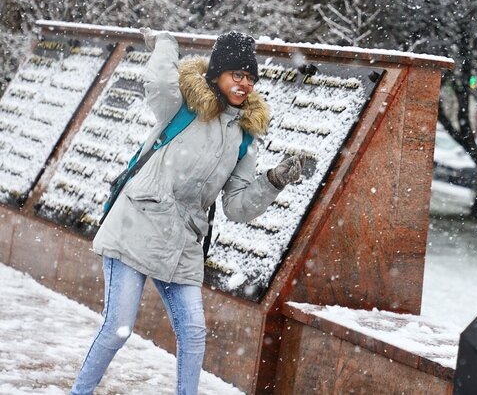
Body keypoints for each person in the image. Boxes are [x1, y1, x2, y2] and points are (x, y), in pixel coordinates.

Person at [71, 29, 303, 395]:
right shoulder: (182, 106)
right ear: (218, 73)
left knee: (194, 334)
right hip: (137, 222)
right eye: (237, 75)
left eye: (250, 78)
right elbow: (159, 81)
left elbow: (237, 207)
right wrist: (165, 43)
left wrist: (273, 180)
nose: (244, 84)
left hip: (185, 241)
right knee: (118, 326)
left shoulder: (243, 136)